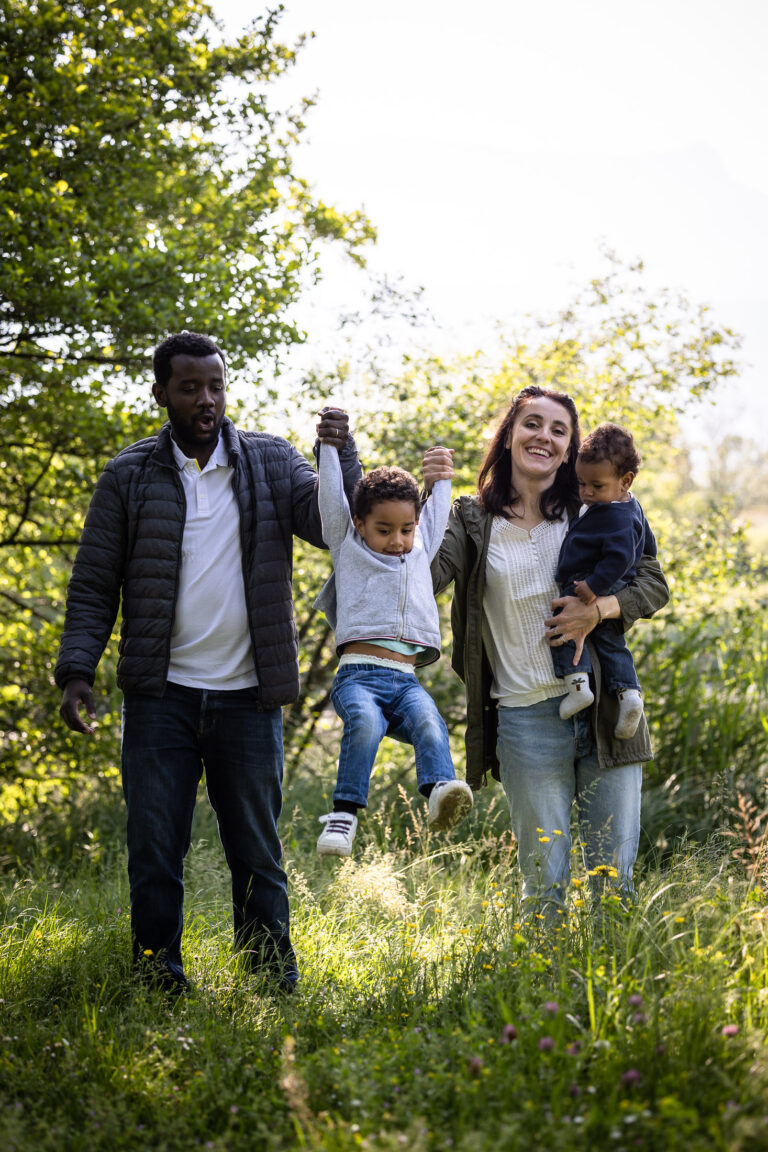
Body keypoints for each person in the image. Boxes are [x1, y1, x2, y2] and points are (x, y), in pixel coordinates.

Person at [55, 331, 362, 992]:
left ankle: (270, 979)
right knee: (154, 851)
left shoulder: (272, 463)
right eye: (190, 387)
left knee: (257, 850)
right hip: (159, 697)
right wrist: (77, 671)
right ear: (161, 391)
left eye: (215, 385)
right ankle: (156, 978)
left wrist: (340, 454)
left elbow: (341, 529)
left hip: (247, 697)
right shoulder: (129, 475)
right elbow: (92, 584)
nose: (206, 399)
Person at [424, 385, 670, 914]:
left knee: (613, 887)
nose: (545, 436)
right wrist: (430, 496)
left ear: (570, 446)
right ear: (509, 433)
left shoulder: (597, 503)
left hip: (606, 708)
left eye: (559, 430)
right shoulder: (471, 519)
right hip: (525, 720)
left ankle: (614, 996)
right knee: (543, 889)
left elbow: (654, 584)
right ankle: (541, 996)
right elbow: (420, 574)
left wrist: (597, 610)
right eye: (533, 423)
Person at [313, 432, 473, 857]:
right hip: (357, 678)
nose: (397, 540)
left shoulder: (419, 552)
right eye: (384, 530)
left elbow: (437, 511)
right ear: (360, 524)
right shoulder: (347, 546)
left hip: (405, 682)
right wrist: (328, 447)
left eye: (406, 529)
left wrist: (440, 474)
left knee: (429, 721)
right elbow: (331, 499)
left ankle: (440, 791)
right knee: (363, 722)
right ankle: (344, 815)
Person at [551, 422, 657, 740]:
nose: (586, 493)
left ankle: (577, 684)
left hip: (592, 584)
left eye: (596, 486)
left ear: (625, 481)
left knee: (563, 625)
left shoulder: (617, 515)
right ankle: (629, 695)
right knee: (613, 645)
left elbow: (622, 558)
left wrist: (593, 588)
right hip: (608, 589)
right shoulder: (621, 505)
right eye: (582, 484)